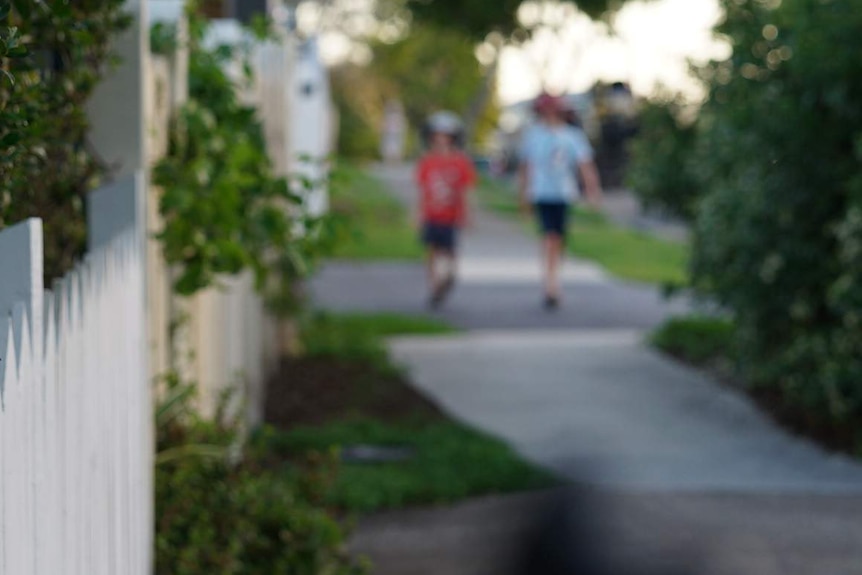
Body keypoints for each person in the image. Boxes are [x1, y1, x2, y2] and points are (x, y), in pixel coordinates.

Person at [518, 93, 603, 310]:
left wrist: (592, 190)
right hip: (541, 193)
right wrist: (524, 195)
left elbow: (585, 165)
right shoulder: (534, 136)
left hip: (563, 194)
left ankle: (553, 276)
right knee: (550, 237)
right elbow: (526, 167)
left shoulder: (572, 136)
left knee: (558, 239)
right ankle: (551, 285)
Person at [416, 111, 477, 308]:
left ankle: (449, 277)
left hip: (451, 215)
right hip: (432, 214)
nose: (440, 140)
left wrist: (467, 214)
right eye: (437, 136)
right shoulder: (427, 161)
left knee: (450, 252)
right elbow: (422, 191)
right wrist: (418, 214)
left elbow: (466, 191)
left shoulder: (460, 162)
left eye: (445, 136)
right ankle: (434, 287)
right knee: (432, 251)